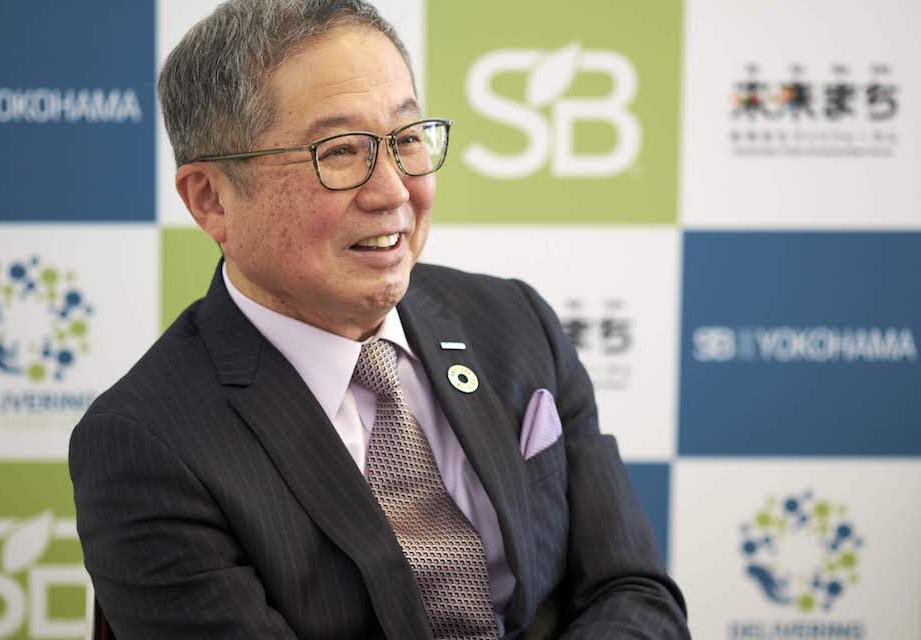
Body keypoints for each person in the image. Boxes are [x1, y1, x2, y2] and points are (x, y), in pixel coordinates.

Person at [68, 1, 690, 638]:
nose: (394, 190)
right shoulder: (145, 445)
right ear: (211, 199)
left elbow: (633, 592)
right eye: (340, 152)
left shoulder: (515, 322)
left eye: (407, 139)